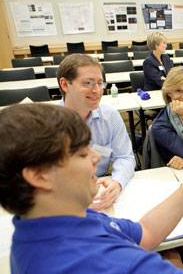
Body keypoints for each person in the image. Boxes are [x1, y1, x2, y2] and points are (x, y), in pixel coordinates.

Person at [0, 103, 183, 273]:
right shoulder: (94, 263)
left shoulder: (56, 222)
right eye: (82, 154)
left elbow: (145, 233)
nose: (97, 158)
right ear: (39, 176)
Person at [57, 54, 135, 210]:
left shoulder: (110, 116)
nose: (97, 90)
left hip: (99, 195)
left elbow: (125, 156)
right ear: (65, 85)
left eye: (100, 83)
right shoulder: (46, 125)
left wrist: (117, 183)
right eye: (88, 83)